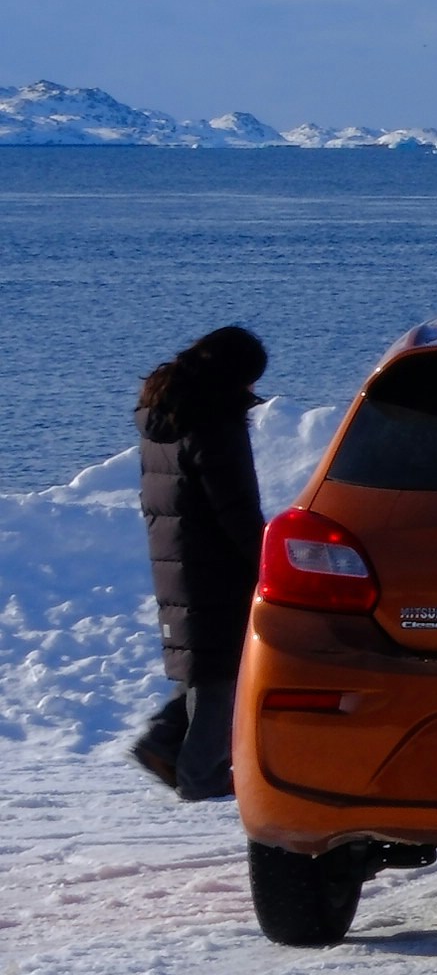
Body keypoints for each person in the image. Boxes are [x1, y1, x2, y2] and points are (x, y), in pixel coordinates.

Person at [130, 325, 271, 803]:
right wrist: (265, 560)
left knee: (204, 659)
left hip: (180, 554)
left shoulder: (166, 412)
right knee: (221, 668)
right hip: (215, 560)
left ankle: (164, 742)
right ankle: (201, 773)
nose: (253, 390)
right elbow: (234, 505)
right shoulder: (214, 422)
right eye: (251, 380)